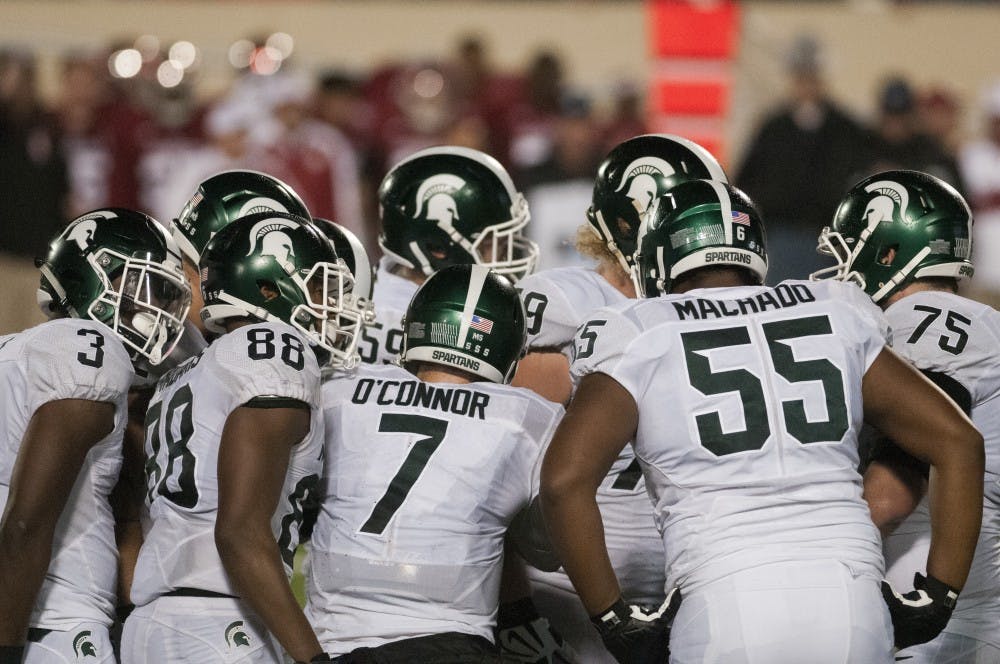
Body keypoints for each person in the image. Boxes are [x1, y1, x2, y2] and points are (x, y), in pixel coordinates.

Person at [540, 179, 984, 663]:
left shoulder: (640, 330)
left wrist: (612, 616)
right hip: (850, 596)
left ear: (661, 255)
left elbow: (564, 481)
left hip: (725, 599)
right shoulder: (834, 308)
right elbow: (957, 441)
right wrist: (939, 596)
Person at [510, 133, 727, 663]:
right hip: (567, 587)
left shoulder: (707, 307)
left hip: (688, 579)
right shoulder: (566, 300)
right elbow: (497, 443)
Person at [120, 212, 356, 663]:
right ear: (270, 288)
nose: (331, 304)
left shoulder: (186, 372)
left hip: (151, 624)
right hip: (223, 624)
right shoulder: (272, 347)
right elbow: (240, 533)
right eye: (320, 287)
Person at [306, 264, 562, 662]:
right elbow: (547, 551)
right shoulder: (526, 419)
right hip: (451, 641)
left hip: (334, 643)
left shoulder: (338, 390)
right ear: (508, 348)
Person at [814, 169, 1000, 662]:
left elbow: (892, 493)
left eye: (849, 251)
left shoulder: (920, 325)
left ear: (888, 253)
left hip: (944, 614)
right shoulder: (984, 323)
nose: (842, 270)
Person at [0, 208, 190, 663]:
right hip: (50, 629)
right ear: (93, 277)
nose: (157, 311)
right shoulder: (89, 350)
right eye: (145, 288)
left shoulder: (17, 352)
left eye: (165, 297)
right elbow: (25, 526)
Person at [365, 145, 538, 365]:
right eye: (492, 245)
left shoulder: (376, 283)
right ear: (439, 250)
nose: (504, 257)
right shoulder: (422, 322)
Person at [733, 34, 868, 284]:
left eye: (812, 76)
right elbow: (747, 181)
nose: (806, 85)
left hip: (829, 238)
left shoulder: (846, 129)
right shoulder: (773, 127)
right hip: (781, 236)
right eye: (801, 76)